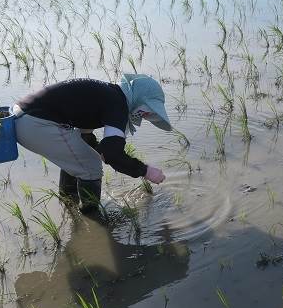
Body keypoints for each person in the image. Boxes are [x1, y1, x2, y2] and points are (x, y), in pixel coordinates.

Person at [13, 74, 171, 214]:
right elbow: (112, 155)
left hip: (23, 117)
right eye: (148, 110)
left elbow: (86, 137)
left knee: (77, 157)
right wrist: (146, 171)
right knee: (90, 166)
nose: (146, 116)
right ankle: (92, 217)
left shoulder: (107, 94)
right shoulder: (118, 104)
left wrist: (98, 149)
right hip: (35, 123)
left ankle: (69, 205)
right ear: (140, 99)